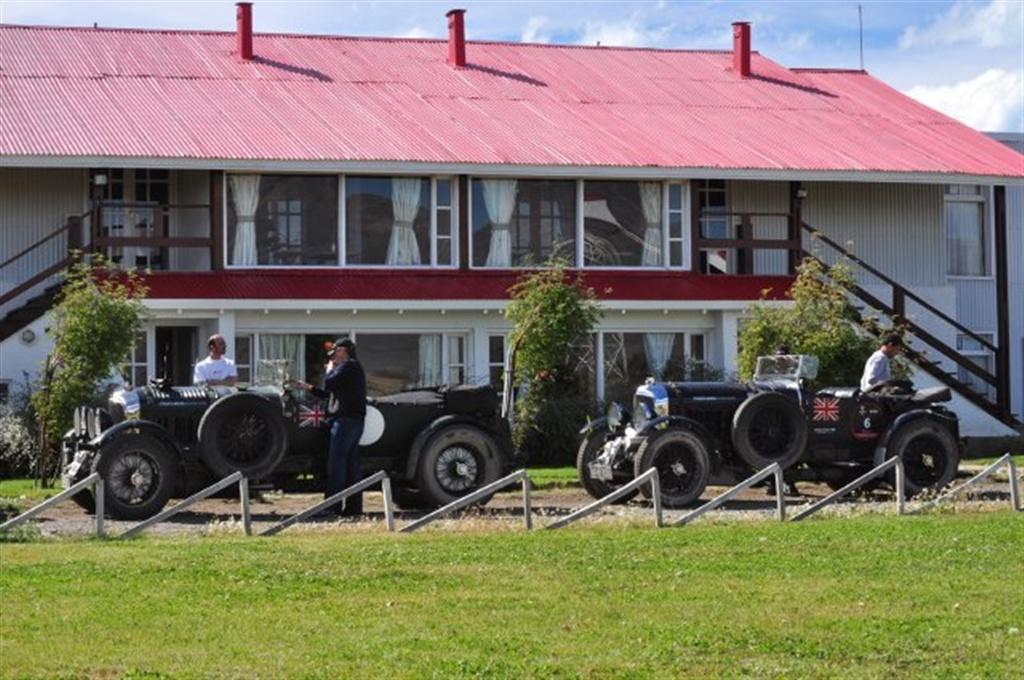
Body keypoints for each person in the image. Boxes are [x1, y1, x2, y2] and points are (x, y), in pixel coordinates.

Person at [294, 338, 367, 516]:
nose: (333, 356)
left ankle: (332, 506)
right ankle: (354, 508)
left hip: (344, 421)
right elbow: (328, 392)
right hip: (353, 421)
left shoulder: (348, 366)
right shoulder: (353, 368)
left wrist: (329, 369)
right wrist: (308, 387)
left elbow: (329, 383)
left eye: (336, 352)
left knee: (337, 464)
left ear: (344, 351)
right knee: (351, 466)